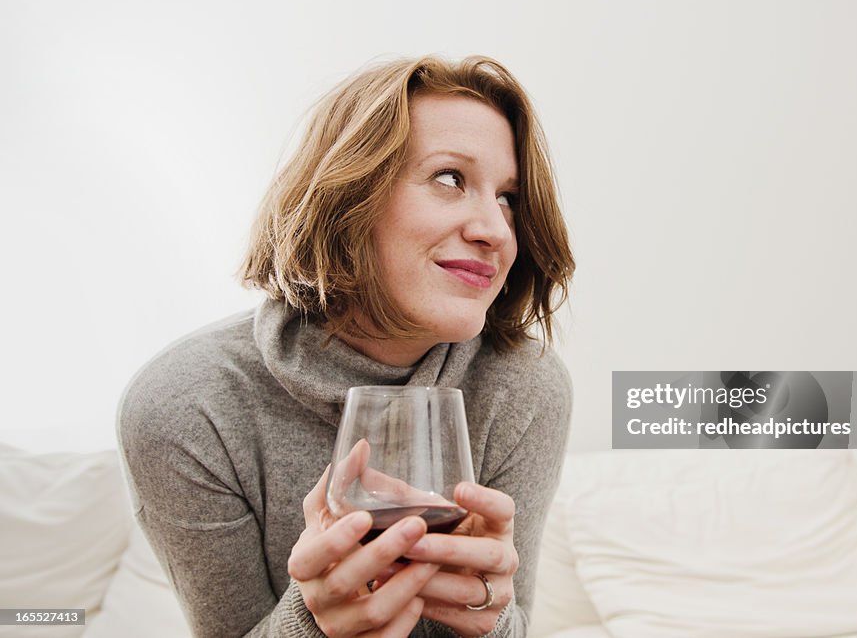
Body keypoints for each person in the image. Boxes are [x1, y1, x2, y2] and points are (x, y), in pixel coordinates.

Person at [118, 55, 575, 638]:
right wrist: (312, 624)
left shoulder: (521, 384)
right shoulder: (186, 405)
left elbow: (505, 617)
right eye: (449, 178)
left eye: (509, 197)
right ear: (347, 197)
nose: (495, 229)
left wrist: (491, 620)